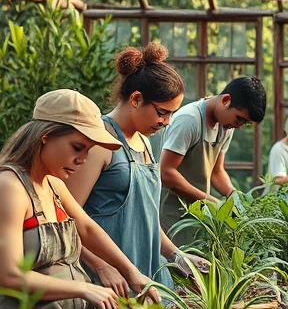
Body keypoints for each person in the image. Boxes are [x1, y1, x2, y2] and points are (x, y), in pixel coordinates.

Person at [0, 89, 154, 309]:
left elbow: (88, 228)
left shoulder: (53, 183)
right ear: (45, 138)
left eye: (88, 151)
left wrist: (131, 272)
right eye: (77, 148)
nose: (83, 159)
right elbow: (10, 277)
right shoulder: (8, 189)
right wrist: (85, 289)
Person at [65, 44, 210, 289]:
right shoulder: (100, 141)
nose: (166, 122)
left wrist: (177, 256)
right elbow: (66, 220)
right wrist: (102, 266)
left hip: (148, 279)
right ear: (136, 99)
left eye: (172, 114)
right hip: (110, 284)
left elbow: (147, 218)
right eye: (162, 112)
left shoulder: (145, 143)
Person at [158, 76, 267, 243]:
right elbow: (166, 172)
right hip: (172, 212)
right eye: (239, 119)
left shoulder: (225, 127)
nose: (239, 126)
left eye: (244, 123)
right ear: (226, 100)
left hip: (198, 213)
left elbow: (217, 171)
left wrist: (233, 197)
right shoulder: (188, 120)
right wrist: (210, 201)